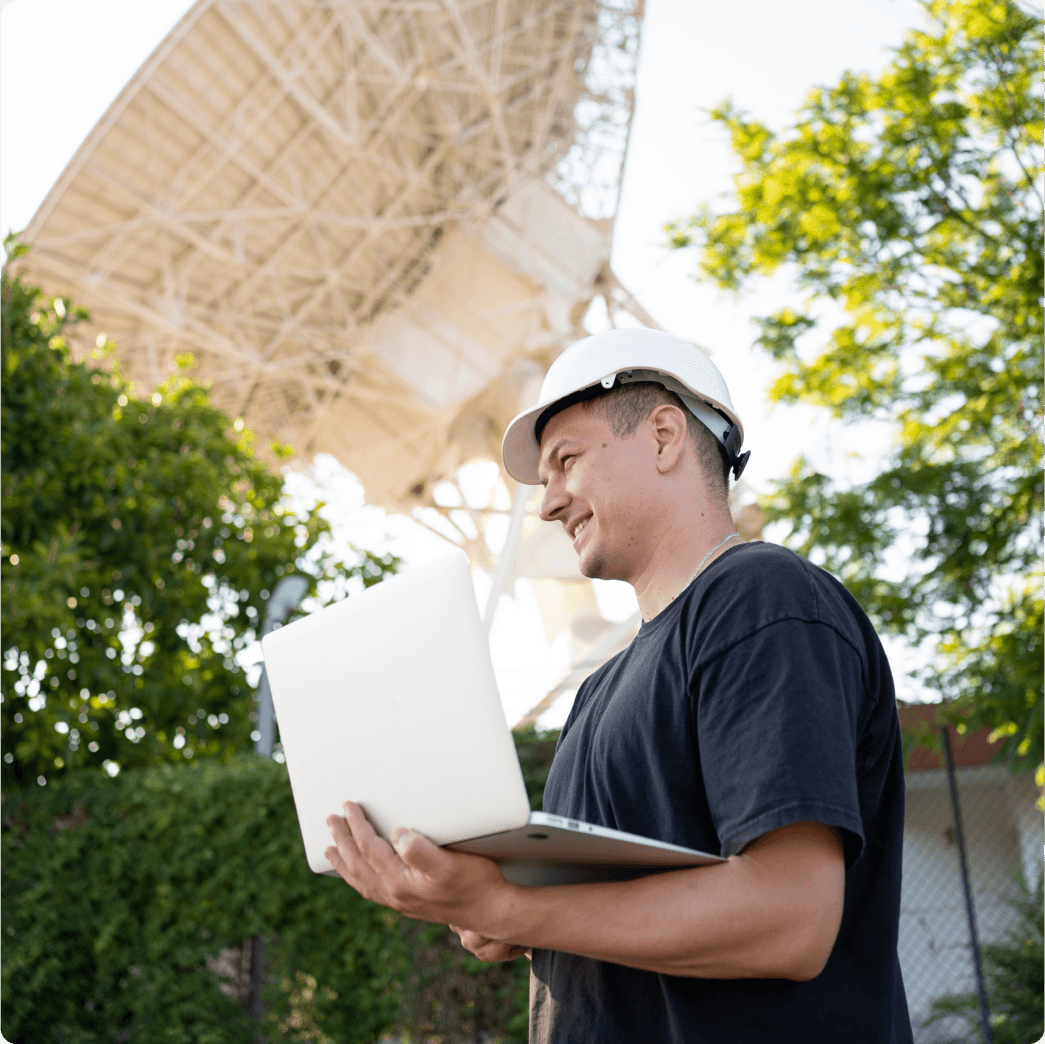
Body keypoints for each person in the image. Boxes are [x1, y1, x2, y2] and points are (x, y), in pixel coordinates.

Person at [325, 328, 913, 1043]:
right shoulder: (596, 692)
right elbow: (614, 912)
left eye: (565, 462)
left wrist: (513, 907)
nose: (547, 505)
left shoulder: (761, 600)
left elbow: (789, 919)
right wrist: (495, 911)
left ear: (664, 436)